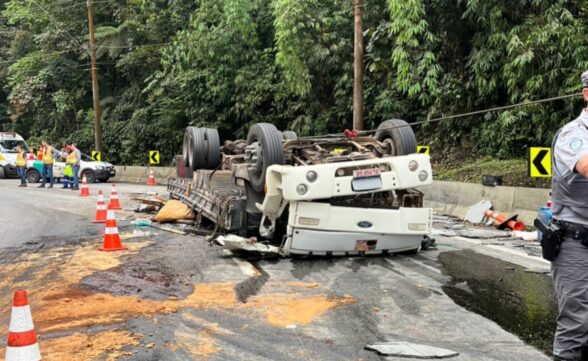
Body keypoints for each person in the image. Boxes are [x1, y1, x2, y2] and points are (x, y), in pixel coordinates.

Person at [550, 71, 588, 361]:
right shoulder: (573, 134)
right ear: (586, 94)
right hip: (577, 241)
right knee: (577, 321)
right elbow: (585, 166)